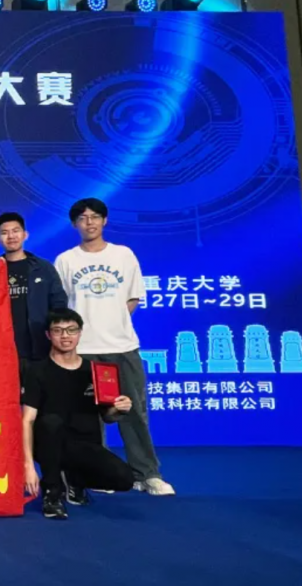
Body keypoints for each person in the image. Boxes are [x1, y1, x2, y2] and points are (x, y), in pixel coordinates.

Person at [54, 197, 174, 496]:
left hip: (122, 346)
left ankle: (147, 474)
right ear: (75, 224)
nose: (89, 222)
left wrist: (111, 322)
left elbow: (132, 299)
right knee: (87, 417)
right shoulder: (66, 260)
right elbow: (62, 306)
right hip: (82, 350)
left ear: (104, 220)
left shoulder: (123, 255)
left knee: (133, 411)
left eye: (95, 217)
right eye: (83, 218)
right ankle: (98, 474)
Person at [22, 309, 136, 520]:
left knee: (124, 479)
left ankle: (75, 480)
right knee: (51, 422)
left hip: (84, 444)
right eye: (58, 330)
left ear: (80, 333)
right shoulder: (37, 371)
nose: (65, 336)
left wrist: (119, 408)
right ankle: (52, 493)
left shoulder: (96, 371)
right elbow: (27, 420)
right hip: (47, 444)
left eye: (71, 330)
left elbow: (108, 417)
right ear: (48, 335)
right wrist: (28, 465)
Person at [0, 212, 68, 379]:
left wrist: (56, 339)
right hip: (4, 350)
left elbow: (59, 305)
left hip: (40, 348)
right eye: (4, 233)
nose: (11, 236)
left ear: (25, 234)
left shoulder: (43, 268)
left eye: (16, 231)